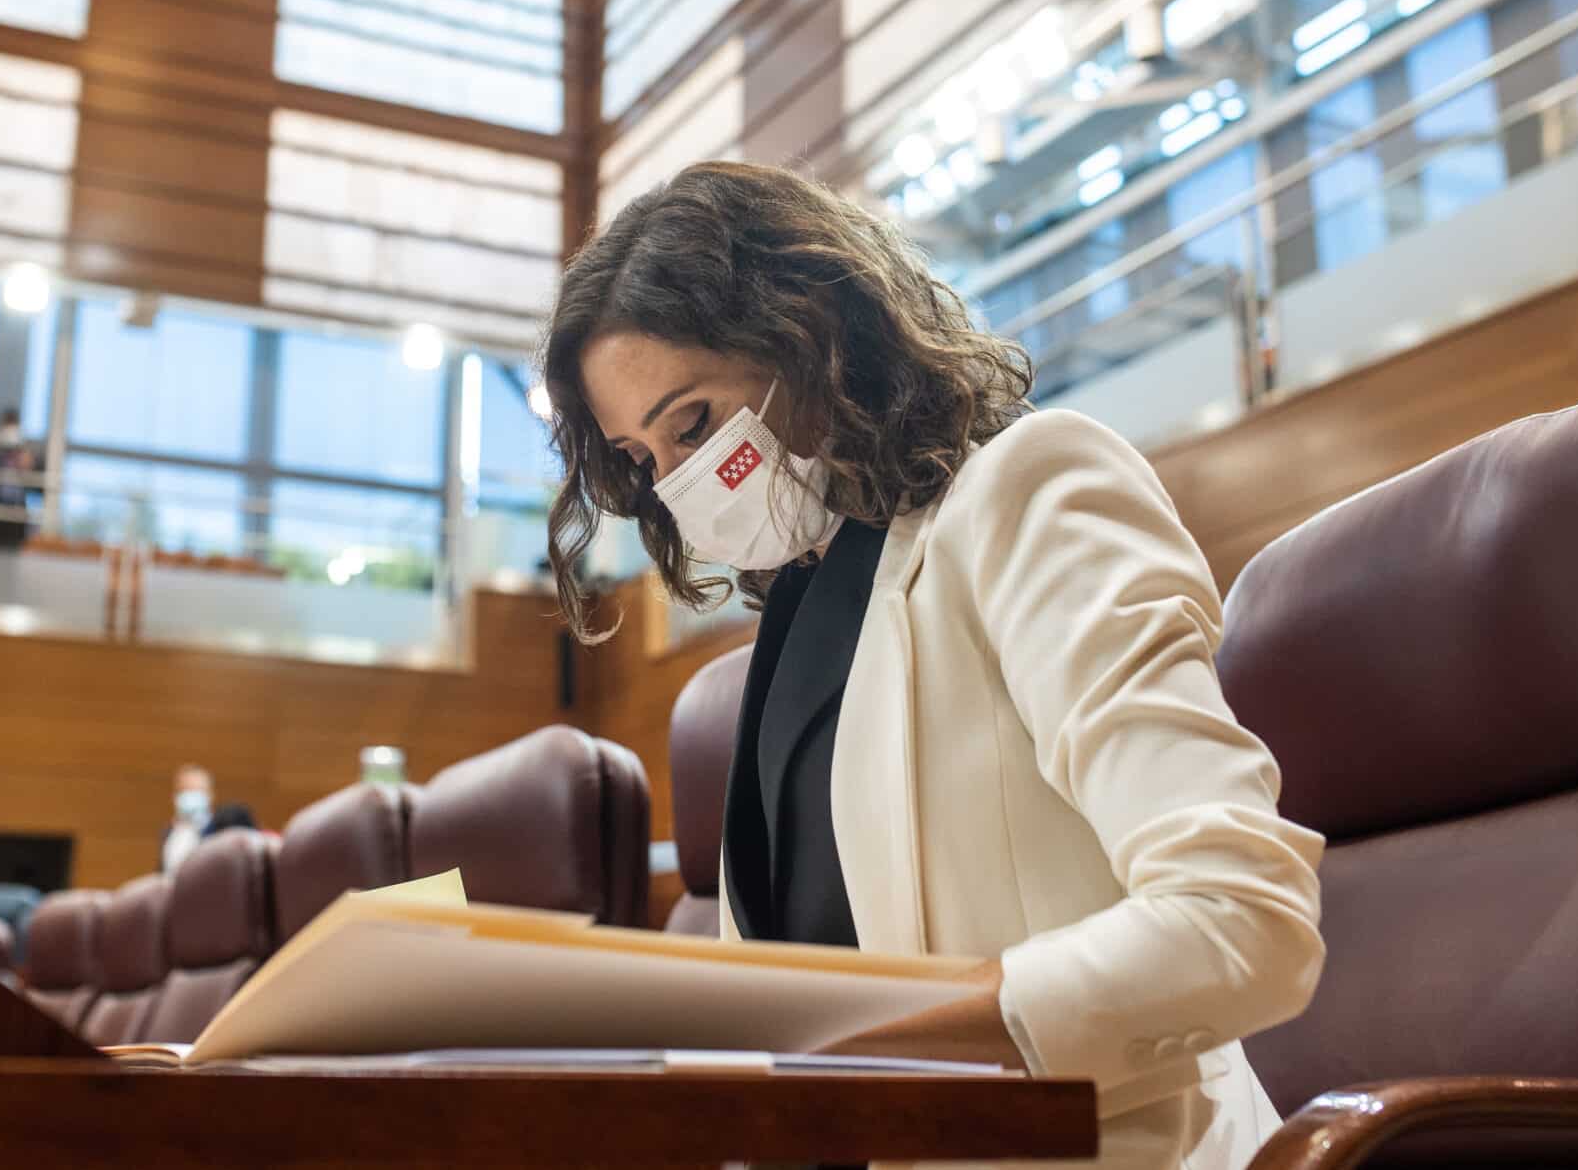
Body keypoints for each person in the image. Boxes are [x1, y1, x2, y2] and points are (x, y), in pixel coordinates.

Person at [541, 162, 1325, 1170]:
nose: (681, 482)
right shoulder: (791, 629)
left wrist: (858, 1055)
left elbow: (1239, 921)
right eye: (646, 460)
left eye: (692, 424)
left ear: (810, 333)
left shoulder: (1028, 494)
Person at [160, 764, 256, 875]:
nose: (191, 796)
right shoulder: (169, 833)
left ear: (210, 795)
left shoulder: (222, 830)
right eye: (186, 790)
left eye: (197, 790)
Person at [0, 407, 42, 552]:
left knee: (11, 562)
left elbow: (38, 490)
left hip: (16, 515)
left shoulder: (27, 455)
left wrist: (27, 465)